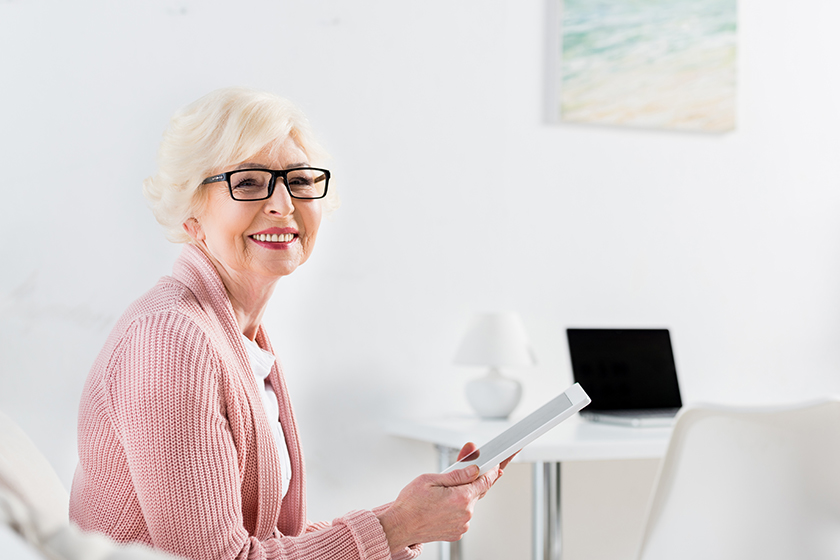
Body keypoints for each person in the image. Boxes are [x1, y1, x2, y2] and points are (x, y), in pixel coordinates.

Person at [68, 87, 513, 560]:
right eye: (250, 181)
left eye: (299, 180)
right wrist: (396, 525)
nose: (283, 203)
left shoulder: (238, 337)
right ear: (191, 213)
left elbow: (262, 545)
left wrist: (409, 519)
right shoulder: (172, 339)